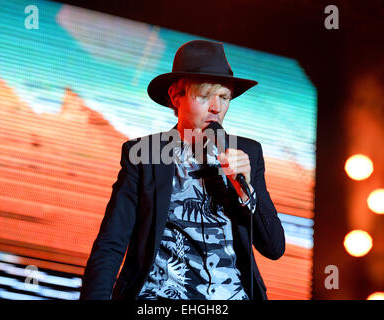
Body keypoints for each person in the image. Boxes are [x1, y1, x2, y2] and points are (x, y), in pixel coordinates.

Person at [80, 40, 285, 300]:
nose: (216, 108)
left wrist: (245, 190)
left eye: (224, 97)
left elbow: (274, 247)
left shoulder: (247, 153)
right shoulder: (145, 155)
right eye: (204, 96)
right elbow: (111, 244)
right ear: (176, 96)